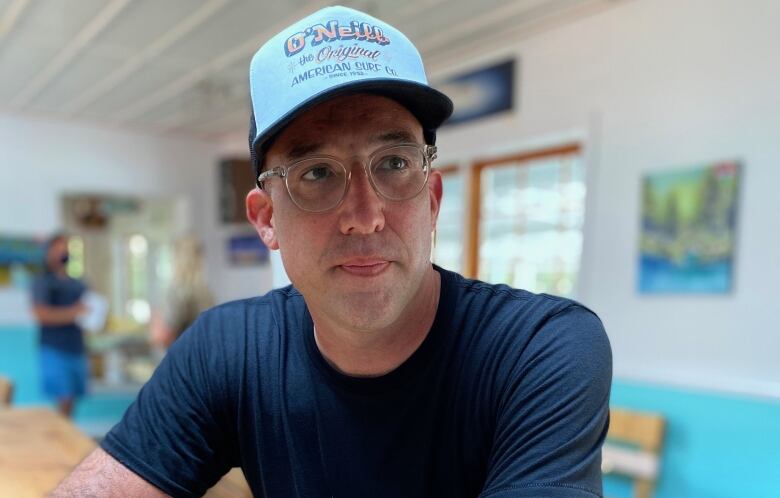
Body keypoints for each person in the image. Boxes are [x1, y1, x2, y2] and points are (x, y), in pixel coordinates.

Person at [52, 6, 611, 497]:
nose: (365, 216)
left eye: (394, 164)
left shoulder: (539, 349)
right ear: (266, 219)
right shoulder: (229, 350)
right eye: (317, 173)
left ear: (432, 199)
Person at [31, 233, 88, 418]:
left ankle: (68, 438)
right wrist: (73, 313)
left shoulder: (77, 283)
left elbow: (88, 310)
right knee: (64, 399)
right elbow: (42, 315)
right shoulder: (42, 282)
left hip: (77, 348)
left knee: (72, 401)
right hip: (54, 348)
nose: (62, 252)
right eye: (57, 248)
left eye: (65, 247)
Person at [150, 235, 214, 351]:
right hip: (201, 357)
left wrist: (156, 320)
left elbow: (164, 337)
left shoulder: (177, 290)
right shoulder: (205, 291)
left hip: (183, 359)